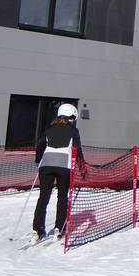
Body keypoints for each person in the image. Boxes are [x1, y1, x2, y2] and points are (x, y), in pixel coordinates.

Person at [32, 103, 83, 243]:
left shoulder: (49, 129)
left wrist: (38, 161)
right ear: (72, 116)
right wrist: (82, 166)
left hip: (46, 165)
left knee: (43, 197)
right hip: (63, 166)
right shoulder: (73, 130)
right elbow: (77, 150)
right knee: (62, 197)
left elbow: (40, 145)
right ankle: (59, 228)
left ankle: (37, 230)